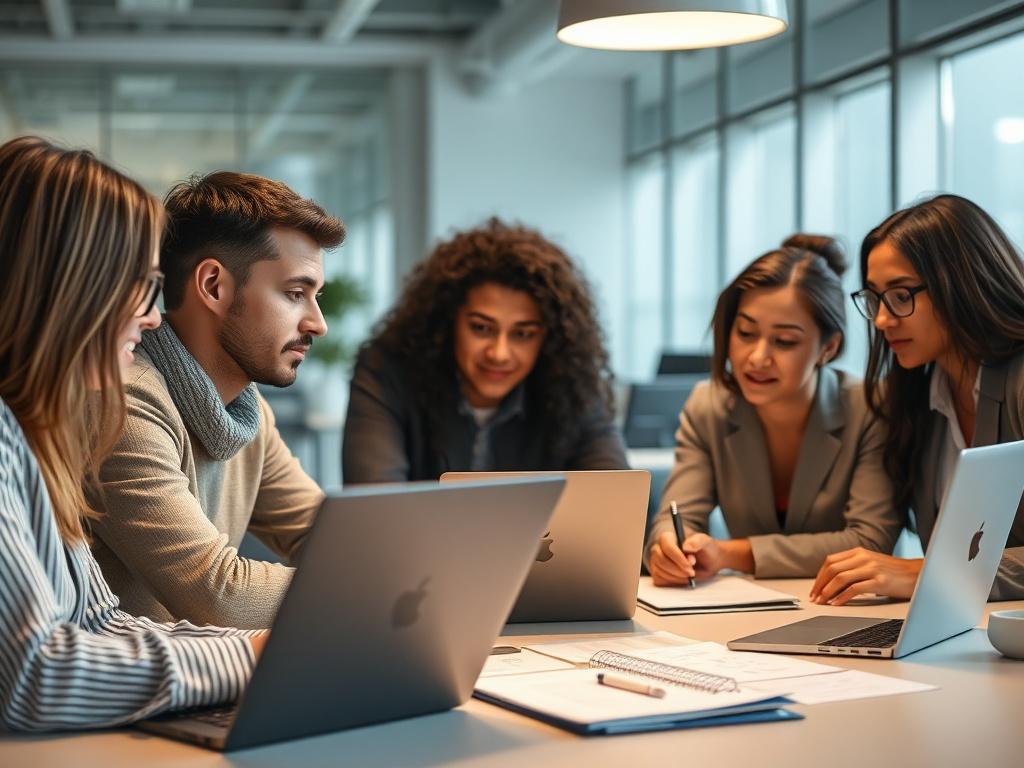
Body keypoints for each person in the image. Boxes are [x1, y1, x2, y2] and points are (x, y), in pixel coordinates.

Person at [0, 136, 266, 731]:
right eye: (140, 287)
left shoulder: (34, 434)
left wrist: (269, 648)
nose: (152, 316)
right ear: (68, 288)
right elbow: (33, 677)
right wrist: (255, 657)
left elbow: (98, 622)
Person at [89, 171, 345, 630]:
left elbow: (324, 536)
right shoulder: (123, 403)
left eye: (316, 297)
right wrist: (374, 587)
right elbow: (218, 592)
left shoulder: (247, 411)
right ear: (213, 286)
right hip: (150, 692)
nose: (317, 323)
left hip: (210, 678)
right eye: (294, 294)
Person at [646, 235, 901, 584]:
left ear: (829, 347)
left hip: (856, 608)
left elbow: (869, 541)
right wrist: (669, 547)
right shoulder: (709, 406)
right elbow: (678, 515)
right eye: (746, 333)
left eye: (785, 341)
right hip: (750, 609)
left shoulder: (869, 407)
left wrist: (729, 553)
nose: (758, 358)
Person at [811, 195, 1024, 604]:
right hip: (962, 641)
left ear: (963, 282)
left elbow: (953, 565)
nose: (882, 319)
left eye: (901, 295)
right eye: (875, 298)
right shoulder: (910, 399)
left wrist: (933, 573)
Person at [342, 217, 627, 483]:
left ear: (549, 339)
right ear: (448, 320)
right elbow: (376, 499)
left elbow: (616, 498)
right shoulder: (387, 371)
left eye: (523, 334)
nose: (499, 353)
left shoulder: (572, 385)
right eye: (481, 328)